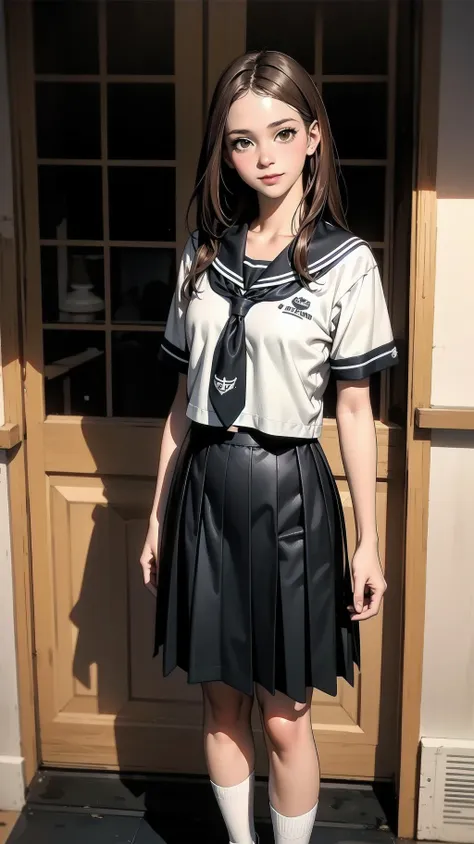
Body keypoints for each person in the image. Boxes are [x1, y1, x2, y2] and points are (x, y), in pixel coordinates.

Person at [139, 50, 397, 844]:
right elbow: (183, 406)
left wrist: (368, 537)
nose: (265, 157)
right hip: (206, 491)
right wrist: (156, 518)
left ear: (314, 135)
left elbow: (353, 410)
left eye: (283, 133)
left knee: (286, 717)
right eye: (242, 141)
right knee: (219, 701)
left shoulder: (348, 266)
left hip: (293, 495)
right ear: (224, 150)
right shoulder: (200, 256)